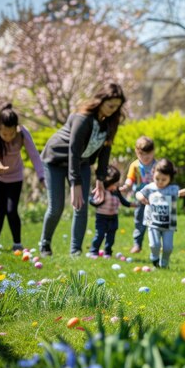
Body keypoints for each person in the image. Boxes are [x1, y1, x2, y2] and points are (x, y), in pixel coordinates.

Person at [40, 83, 126, 257]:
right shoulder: (83, 118)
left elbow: (105, 151)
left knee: (81, 206)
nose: (113, 110)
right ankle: (45, 243)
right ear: (100, 101)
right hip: (55, 160)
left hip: (82, 162)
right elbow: (74, 150)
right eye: (110, 105)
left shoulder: (110, 122)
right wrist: (75, 182)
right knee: (56, 207)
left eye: (117, 107)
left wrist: (100, 179)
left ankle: (76, 251)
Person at [0, 104, 44, 253]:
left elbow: (34, 155)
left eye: (11, 134)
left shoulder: (22, 133)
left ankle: (17, 244)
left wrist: (42, 177)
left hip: (15, 176)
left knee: (11, 210)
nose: (8, 138)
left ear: (16, 128)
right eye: (4, 134)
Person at [136, 158, 185, 268]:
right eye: (157, 178)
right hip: (153, 222)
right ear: (153, 174)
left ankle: (164, 262)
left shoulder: (173, 189)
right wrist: (141, 197)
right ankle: (154, 257)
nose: (160, 182)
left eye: (164, 179)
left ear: (170, 178)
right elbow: (138, 193)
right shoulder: (150, 187)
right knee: (154, 244)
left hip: (169, 224)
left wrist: (181, 193)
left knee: (168, 247)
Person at [119, 136, 157, 254]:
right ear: (137, 152)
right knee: (139, 221)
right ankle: (137, 244)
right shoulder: (135, 165)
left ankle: (156, 245)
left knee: (155, 223)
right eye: (142, 155)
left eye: (148, 155)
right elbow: (130, 179)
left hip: (155, 199)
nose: (145, 158)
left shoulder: (158, 165)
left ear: (153, 152)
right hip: (141, 198)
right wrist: (126, 186)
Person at [89, 165, 134, 258]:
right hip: (102, 217)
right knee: (100, 234)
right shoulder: (101, 191)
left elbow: (123, 201)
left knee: (111, 236)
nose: (116, 185)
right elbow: (92, 200)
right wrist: (97, 201)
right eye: (114, 183)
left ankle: (108, 252)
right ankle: (93, 251)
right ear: (107, 182)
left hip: (113, 217)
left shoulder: (116, 191)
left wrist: (133, 205)